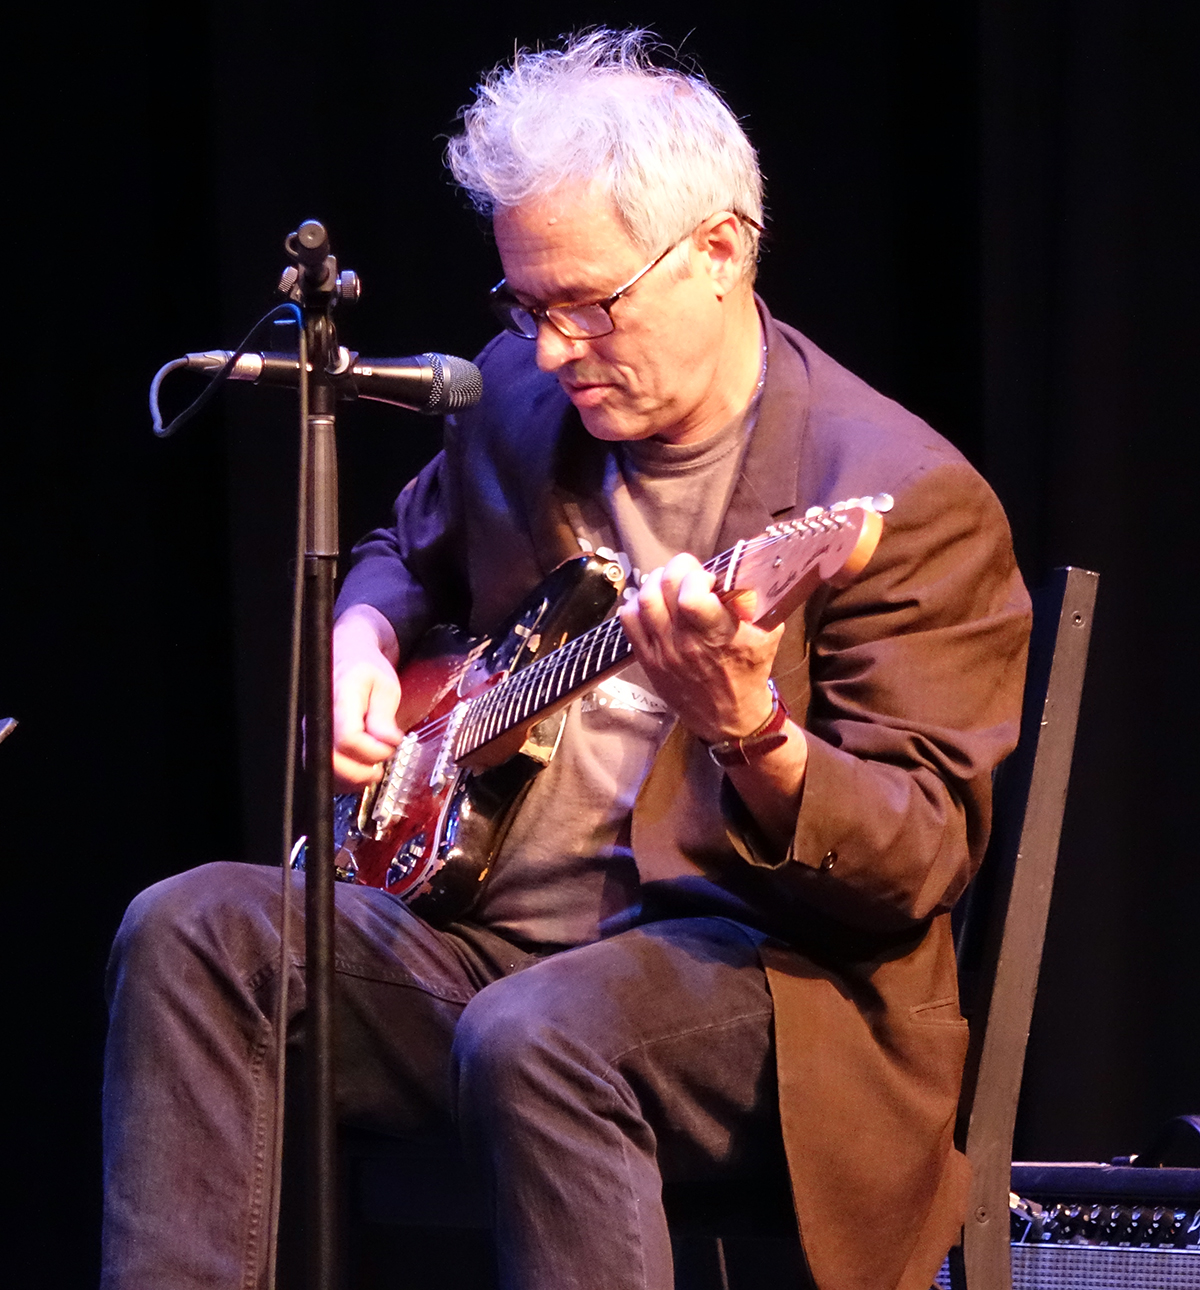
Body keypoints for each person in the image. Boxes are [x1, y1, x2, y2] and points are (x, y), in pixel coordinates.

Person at [102, 29, 1031, 1290]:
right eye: (525, 307)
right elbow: (400, 542)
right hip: (479, 960)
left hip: (763, 990)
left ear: (720, 250)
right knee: (195, 929)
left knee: (539, 1035)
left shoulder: (898, 495)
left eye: (588, 305)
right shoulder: (524, 409)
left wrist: (752, 732)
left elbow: (918, 854)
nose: (548, 350)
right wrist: (362, 632)